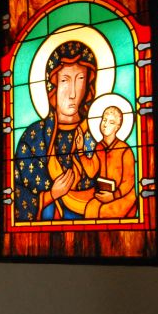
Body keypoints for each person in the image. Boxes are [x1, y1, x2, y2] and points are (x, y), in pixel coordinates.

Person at [14, 40, 100, 221]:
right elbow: (18, 195)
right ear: (52, 87)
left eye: (80, 79)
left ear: (89, 85)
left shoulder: (95, 133)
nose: (73, 93)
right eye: (65, 80)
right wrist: (50, 195)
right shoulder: (33, 138)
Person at [84, 105, 136, 219]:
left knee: (105, 213)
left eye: (111, 122)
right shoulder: (99, 147)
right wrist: (79, 151)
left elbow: (129, 181)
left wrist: (114, 195)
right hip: (104, 194)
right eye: (104, 120)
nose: (105, 124)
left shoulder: (124, 150)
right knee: (90, 208)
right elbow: (91, 172)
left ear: (118, 127)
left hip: (124, 196)